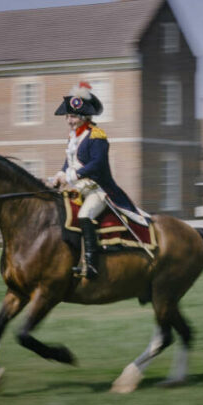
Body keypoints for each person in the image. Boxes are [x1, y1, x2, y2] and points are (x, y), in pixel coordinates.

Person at [51, 81, 141, 279]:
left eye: (73, 116)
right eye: (68, 116)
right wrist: (59, 174)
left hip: (98, 189)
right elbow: (69, 162)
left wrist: (73, 175)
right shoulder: (73, 137)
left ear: (84, 117)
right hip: (78, 188)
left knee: (84, 215)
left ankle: (91, 264)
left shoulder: (97, 135)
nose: (69, 120)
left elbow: (97, 165)